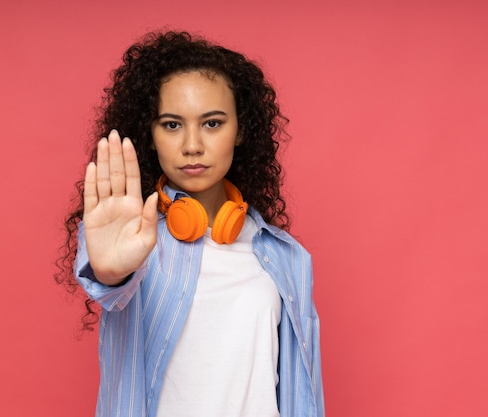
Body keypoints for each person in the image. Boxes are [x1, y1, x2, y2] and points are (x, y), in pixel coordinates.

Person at [56, 31, 324, 417]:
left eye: (212, 124)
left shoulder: (287, 257)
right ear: (149, 135)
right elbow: (109, 283)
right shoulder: (132, 239)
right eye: (171, 125)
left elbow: (302, 397)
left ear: (241, 129)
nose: (192, 145)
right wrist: (111, 274)